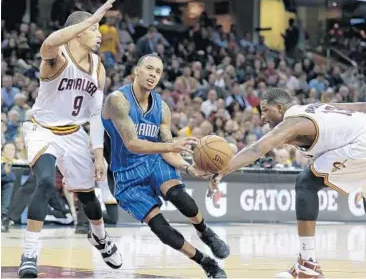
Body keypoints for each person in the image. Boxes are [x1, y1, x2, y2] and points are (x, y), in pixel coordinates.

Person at [210, 88, 366, 278]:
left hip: (361, 143)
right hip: (360, 136)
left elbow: (257, 148)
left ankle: (307, 264)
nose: (263, 117)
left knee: (306, 183)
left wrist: (222, 171)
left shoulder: (293, 123)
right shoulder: (314, 108)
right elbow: (357, 107)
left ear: (280, 107)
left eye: (266, 110)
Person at [18, 0, 122, 278]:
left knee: (89, 198)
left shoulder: (98, 67)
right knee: (46, 181)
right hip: (43, 130)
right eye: (93, 29)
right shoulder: (58, 56)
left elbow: (95, 115)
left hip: (74, 133)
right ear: (78, 31)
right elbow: (48, 41)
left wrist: (99, 155)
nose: (99, 35)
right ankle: (29, 254)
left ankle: (100, 238)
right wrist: (90, 18)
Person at [102, 54, 229, 278]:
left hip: (153, 160)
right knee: (160, 227)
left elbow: (169, 151)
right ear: (136, 71)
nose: (153, 74)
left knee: (180, 196)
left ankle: (205, 231)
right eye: (149, 69)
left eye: (158, 71)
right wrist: (169, 147)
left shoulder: (162, 107)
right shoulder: (118, 100)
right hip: (123, 172)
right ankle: (206, 263)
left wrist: (190, 168)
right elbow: (132, 144)